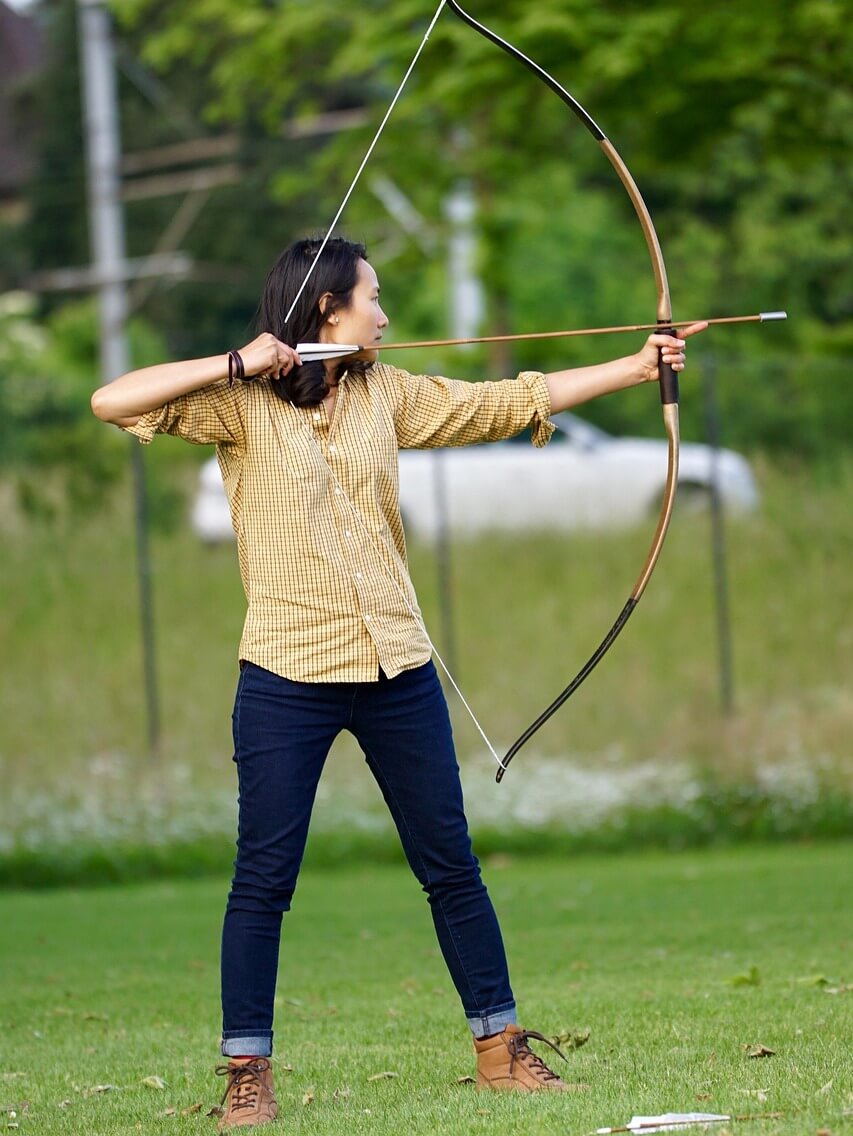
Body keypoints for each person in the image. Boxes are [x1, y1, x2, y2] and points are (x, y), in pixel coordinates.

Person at [91, 236, 705, 1129]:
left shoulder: (390, 394)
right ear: (324, 309)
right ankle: (246, 1074)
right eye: (371, 298)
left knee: (451, 867)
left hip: (395, 668)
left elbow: (508, 402)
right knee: (263, 879)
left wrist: (634, 367)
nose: (384, 314)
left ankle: (501, 1052)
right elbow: (111, 401)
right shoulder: (237, 406)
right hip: (284, 671)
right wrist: (239, 360)